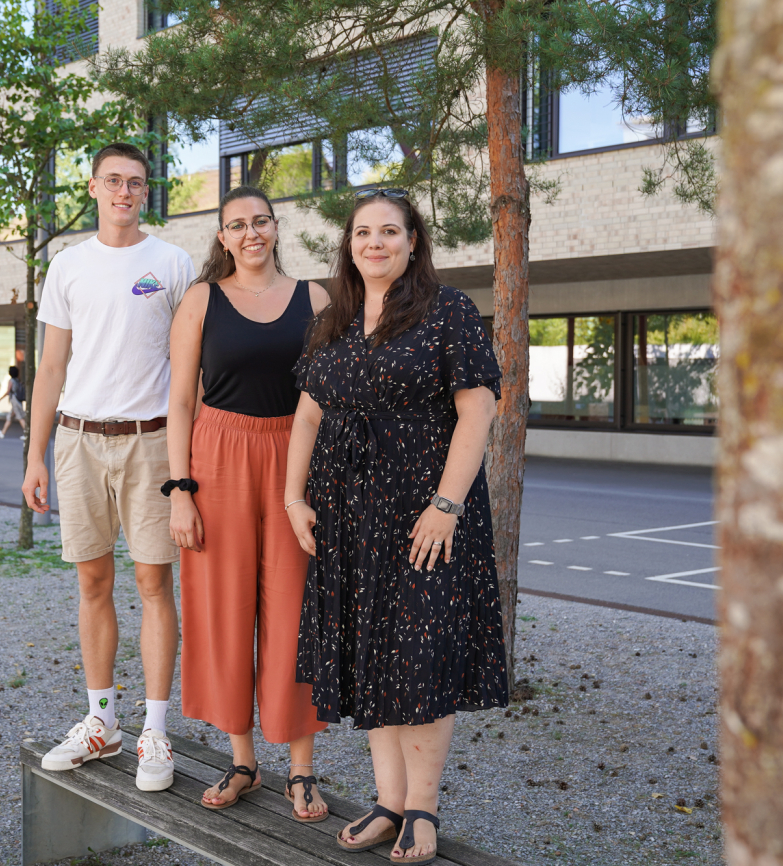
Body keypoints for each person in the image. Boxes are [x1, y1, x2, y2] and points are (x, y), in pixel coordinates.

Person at [284, 189, 507, 863]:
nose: (375, 242)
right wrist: (293, 496)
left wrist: (445, 506)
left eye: (389, 231)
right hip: (349, 519)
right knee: (371, 656)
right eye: (363, 233)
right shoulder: (336, 319)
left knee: (422, 660)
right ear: (349, 245)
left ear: (414, 242)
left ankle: (423, 809)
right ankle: (387, 801)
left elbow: (479, 410)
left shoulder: (448, 311)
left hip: (424, 518)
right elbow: (309, 414)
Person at [22, 142, 196, 793]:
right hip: (77, 442)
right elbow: (50, 369)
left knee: (154, 583)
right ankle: (102, 722)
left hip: (151, 443)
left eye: (136, 183)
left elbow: (189, 374)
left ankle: (155, 729)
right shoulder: (67, 267)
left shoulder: (171, 264)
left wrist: (186, 469)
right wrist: (34, 455)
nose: (125, 192)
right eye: (114, 181)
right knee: (92, 583)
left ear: (145, 193)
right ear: (93, 187)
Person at [167, 186, 332, 821]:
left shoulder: (314, 298)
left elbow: (325, 398)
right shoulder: (201, 300)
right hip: (219, 458)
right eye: (237, 225)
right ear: (222, 237)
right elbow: (181, 402)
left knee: (296, 611)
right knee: (224, 607)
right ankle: (242, 759)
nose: (251, 233)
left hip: (294, 457)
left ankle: (301, 769)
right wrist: (181, 492)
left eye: (260, 221)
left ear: (275, 227)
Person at [0, 365, 29, 440]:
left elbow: (8, 391)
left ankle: (27, 433)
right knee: (10, 417)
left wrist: (0, 399)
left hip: (14, 400)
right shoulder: (17, 380)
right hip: (17, 400)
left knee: (20, 417)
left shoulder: (11, 381)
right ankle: (3, 432)